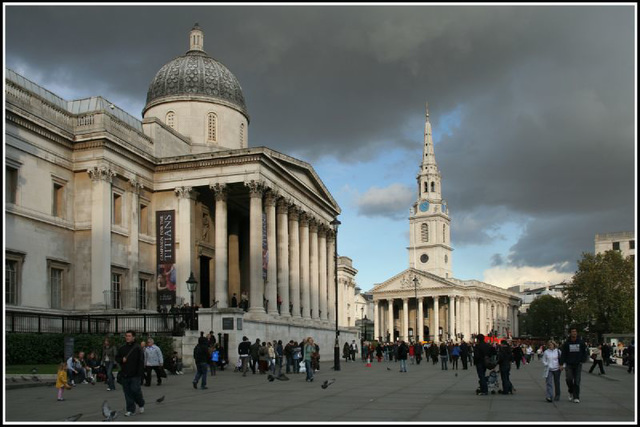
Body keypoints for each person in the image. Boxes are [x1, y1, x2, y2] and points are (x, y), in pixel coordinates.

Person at [115, 330, 145, 417]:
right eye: (126, 336)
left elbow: (141, 362)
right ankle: (130, 410)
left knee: (135, 390)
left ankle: (141, 403)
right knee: (127, 393)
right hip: (125, 374)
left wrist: (141, 375)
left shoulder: (138, 348)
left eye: (129, 336)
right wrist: (121, 360)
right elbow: (117, 358)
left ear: (133, 337)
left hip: (135, 375)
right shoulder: (122, 348)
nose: (127, 337)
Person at [559, 326, 589, 403]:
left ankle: (576, 396)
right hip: (569, 364)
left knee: (577, 380)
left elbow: (585, 352)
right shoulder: (566, 343)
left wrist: (583, 360)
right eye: (572, 332)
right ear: (570, 333)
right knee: (569, 379)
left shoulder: (581, 342)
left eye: (575, 332)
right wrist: (561, 364)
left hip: (578, 364)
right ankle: (571, 390)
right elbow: (563, 354)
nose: (574, 333)